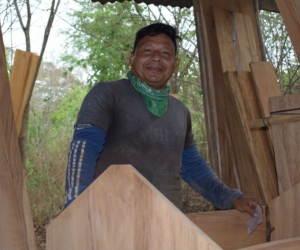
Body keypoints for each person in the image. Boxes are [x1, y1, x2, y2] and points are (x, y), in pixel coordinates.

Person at [64, 22, 259, 217]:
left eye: (165, 53)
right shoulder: (108, 94)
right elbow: (84, 148)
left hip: (168, 222)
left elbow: (192, 166)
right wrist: (75, 206)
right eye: (147, 50)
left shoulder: (180, 112)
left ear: (175, 63)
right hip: (112, 220)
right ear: (131, 58)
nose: (156, 58)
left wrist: (230, 198)